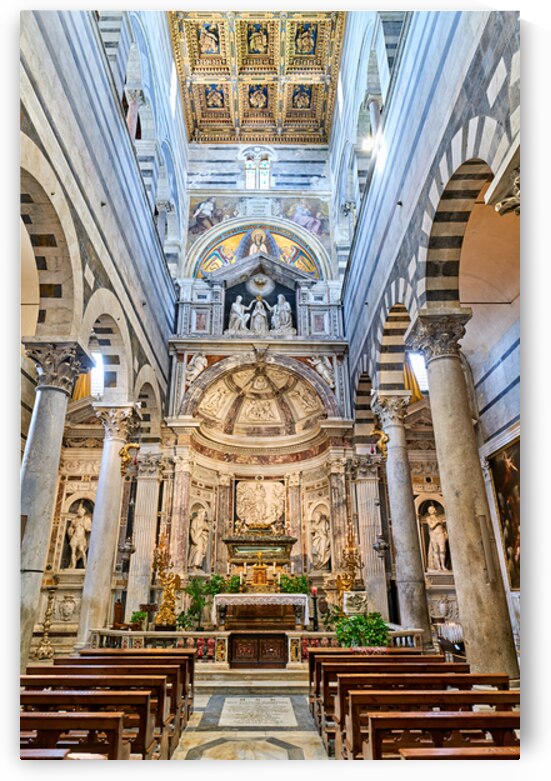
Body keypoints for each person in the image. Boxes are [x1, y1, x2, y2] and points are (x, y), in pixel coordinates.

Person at [66, 503, 92, 569]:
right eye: (80, 512)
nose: (81, 513)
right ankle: (73, 565)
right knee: (73, 551)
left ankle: (85, 565)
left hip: (81, 537)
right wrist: (70, 530)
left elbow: (89, 528)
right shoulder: (74, 520)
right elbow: (71, 527)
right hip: (75, 536)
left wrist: (88, 529)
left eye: (82, 512)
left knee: (81, 550)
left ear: (84, 513)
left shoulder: (86, 519)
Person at [424, 505, 449, 571]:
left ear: (435, 510)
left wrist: (445, 533)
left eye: (432, 509)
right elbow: (431, 526)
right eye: (429, 510)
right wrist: (437, 522)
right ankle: (438, 566)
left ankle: (443, 565)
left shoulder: (439, 518)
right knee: (436, 550)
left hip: (441, 534)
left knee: (442, 550)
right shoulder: (428, 518)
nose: (431, 510)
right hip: (434, 535)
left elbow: (443, 527)